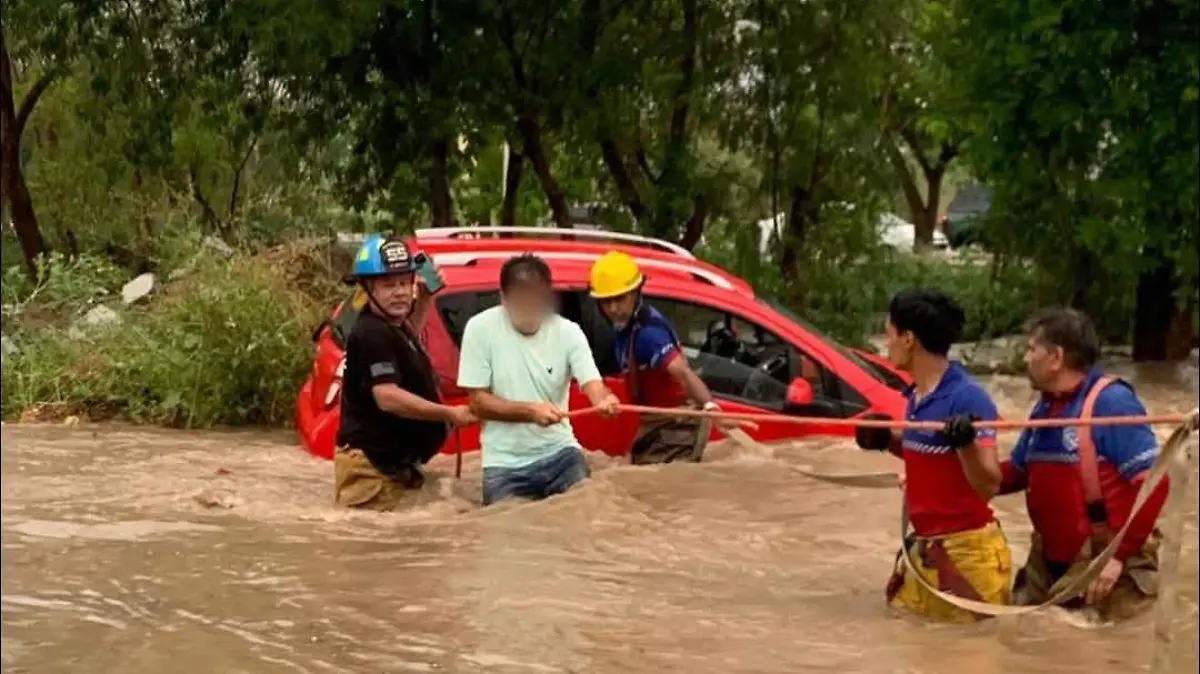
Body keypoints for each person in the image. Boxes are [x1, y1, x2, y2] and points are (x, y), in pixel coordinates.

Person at [992, 307, 1169, 621]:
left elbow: (1155, 483)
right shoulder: (1044, 408)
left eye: (1032, 350)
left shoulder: (1111, 403)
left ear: (1056, 358)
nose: (1025, 359)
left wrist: (1119, 556)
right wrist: (957, 469)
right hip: (1048, 564)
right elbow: (1014, 474)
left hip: (1108, 566)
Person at [855, 289, 1011, 623]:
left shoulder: (967, 398)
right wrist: (887, 441)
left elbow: (989, 484)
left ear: (909, 339)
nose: (887, 345)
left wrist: (966, 444)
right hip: (926, 549)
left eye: (890, 335)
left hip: (969, 557)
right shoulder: (916, 396)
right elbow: (933, 455)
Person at [457, 254, 621, 506]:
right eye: (521, 303)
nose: (530, 311)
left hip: (562, 454)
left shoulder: (569, 332)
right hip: (504, 466)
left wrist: (604, 400)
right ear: (503, 298)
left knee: (590, 511)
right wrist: (530, 411)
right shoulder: (479, 329)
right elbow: (478, 403)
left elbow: (592, 383)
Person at [334, 234, 476, 511]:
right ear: (367, 289)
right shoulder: (371, 334)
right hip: (373, 471)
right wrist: (448, 413)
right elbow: (387, 396)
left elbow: (407, 337)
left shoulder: (392, 324)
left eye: (404, 283)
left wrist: (424, 299)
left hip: (393, 466)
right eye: (389, 285)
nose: (400, 292)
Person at [589, 250, 724, 464]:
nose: (613, 308)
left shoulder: (649, 335)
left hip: (677, 425)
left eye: (619, 299)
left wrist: (709, 406)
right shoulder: (624, 326)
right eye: (606, 302)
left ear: (636, 292)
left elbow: (681, 371)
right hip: (656, 422)